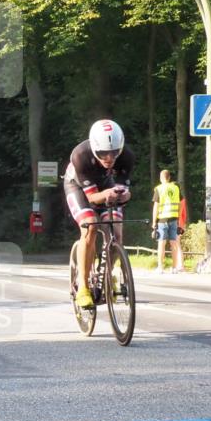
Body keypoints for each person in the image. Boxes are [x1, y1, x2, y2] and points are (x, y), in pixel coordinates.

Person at [64, 119, 134, 308]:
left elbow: (122, 188)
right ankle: (83, 288)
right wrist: (107, 194)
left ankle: (108, 277)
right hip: (78, 187)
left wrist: (124, 194)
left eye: (114, 152)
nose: (109, 157)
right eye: (103, 153)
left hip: (106, 186)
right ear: (95, 148)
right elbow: (93, 198)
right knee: (90, 227)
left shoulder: (127, 156)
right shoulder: (80, 155)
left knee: (116, 233)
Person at [151, 169, 184, 273]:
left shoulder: (159, 189)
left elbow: (156, 207)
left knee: (161, 243)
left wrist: (154, 222)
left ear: (161, 178)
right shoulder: (176, 188)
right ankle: (174, 268)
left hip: (162, 220)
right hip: (174, 219)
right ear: (169, 178)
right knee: (173, 243)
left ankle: (160, 267)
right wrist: (179, 217)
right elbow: (180, 203)